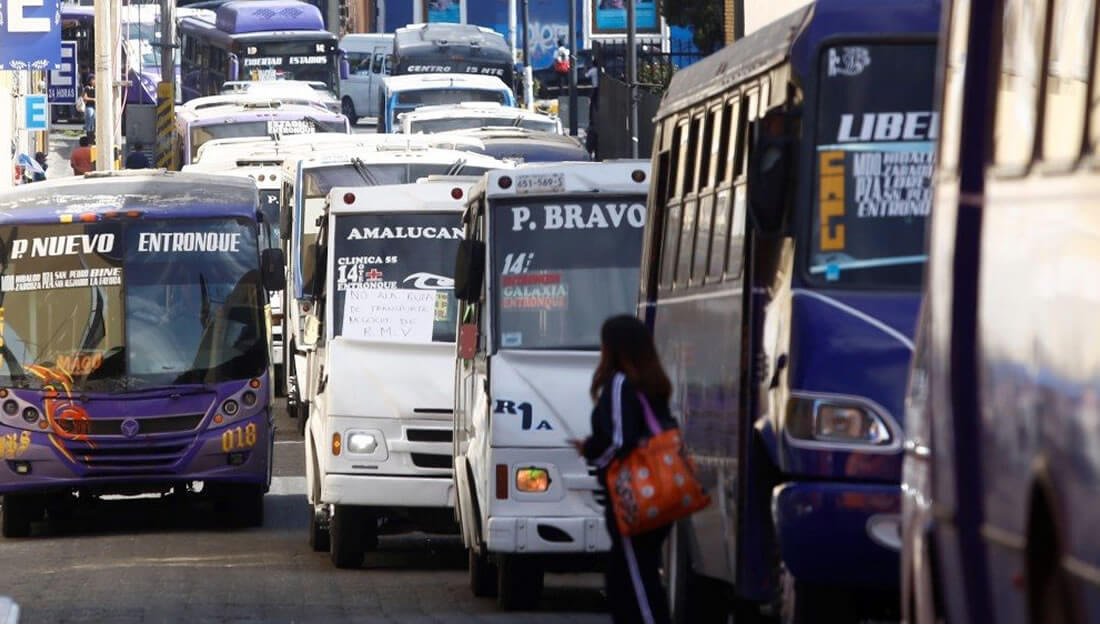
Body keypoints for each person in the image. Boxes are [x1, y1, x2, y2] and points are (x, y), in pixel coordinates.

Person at [574, 315, 676, 623]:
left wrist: (591, 451)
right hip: (658, 496)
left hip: (633, 499)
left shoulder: (620, 383)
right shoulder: (651, 383)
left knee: (635, 584)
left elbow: (621, 441)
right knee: (625, 580)